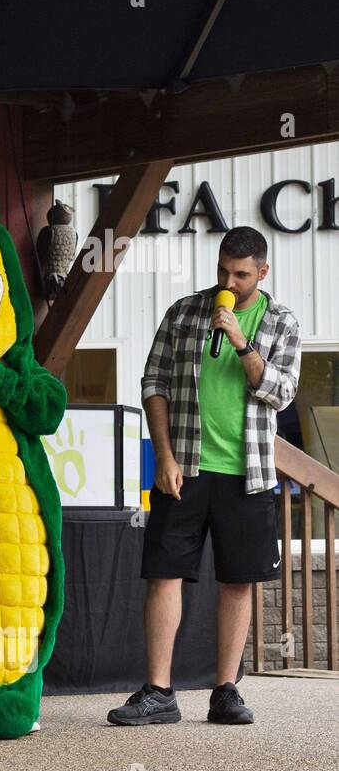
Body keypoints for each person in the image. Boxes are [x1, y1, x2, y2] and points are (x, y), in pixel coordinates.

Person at [109, 226, 301, 728]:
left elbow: (281, 393)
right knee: (163, 574)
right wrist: (164, 457)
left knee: (238, 580)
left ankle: (225, 691)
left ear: (262, 272)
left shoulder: (281, 322)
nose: (229, 283)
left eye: (240, 274)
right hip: (185, 467)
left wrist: (241, 341)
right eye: (223, 271)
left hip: (249, 473)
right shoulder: (184, 312)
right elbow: (153, 381)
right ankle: (158, 692)